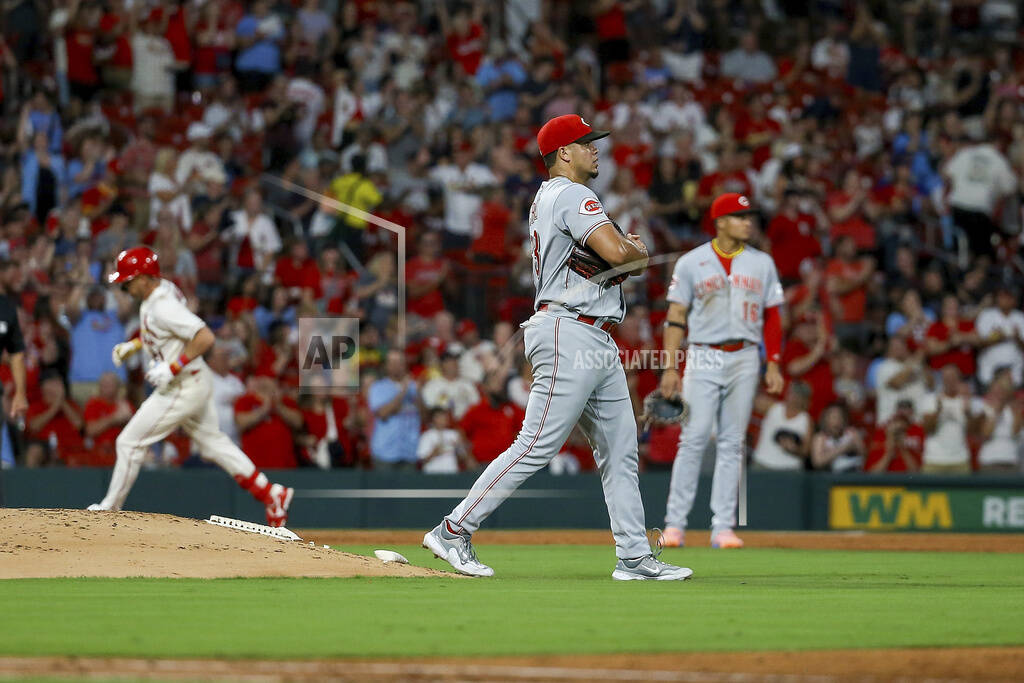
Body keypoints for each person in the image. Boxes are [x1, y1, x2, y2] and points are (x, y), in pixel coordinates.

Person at [423, 114, 691, 581]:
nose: (595, 150)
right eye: (587, 143)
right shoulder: (572, 194)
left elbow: (615, 259)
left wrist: (628, 255)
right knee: (536, 443)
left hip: (592, 333)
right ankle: (453, 529)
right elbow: (618, 253)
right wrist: (633, 250)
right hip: (568, 328)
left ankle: (633, 557)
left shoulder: (552, 197)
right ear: (563, 153)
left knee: (620, 448)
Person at [86, 247, 294, 527]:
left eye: (129, 279)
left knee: (129, 442)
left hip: (182, 385)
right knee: (213, 444)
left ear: (146, 278)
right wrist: (134, 345)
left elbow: (205, 337)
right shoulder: (162, 290)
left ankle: (109, 509)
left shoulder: (163, 305)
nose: (124, 285)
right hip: (195, 378)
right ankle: (272, 495)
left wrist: (172, 366)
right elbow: (165, 332)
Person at [658, 192, 785, 549]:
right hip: (703, 353)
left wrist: (772, 360)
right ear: (721, 222)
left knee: (732, 442)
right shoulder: (691, 262)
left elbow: (773, 315)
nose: (748, 222)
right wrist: (670, 367)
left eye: (749, 217)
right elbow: (675, 317)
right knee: (694, 437)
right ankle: (675, 525)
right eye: (740, 216)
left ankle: (723, 527)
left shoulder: (762, 263)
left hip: (745, 355)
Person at [918, 364, 984, 475]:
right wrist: (937, 411)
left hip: (960, 460)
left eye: (953, 377)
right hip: (934, 459)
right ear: (942, 379)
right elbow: (927, 429)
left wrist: (968, 412)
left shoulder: (967, 400)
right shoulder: (930, 399)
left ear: (959, 379)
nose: (950, 381)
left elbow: (973, 432)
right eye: (947, 377)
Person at [751, 381, 813, 471]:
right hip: (762, 463)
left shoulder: (806, 420)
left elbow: (806, 451)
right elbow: (751, 398)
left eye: (798, 395)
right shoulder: (772, 407)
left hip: (789, 469)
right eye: (792, 393)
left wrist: (795, 449)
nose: (794, 397)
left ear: (804, 399)